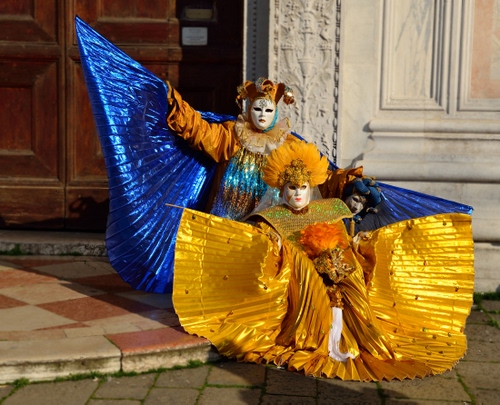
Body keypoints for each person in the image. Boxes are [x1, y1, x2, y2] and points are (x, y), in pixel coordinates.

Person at [172, 141, 475, 381]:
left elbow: (343, 242)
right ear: (282, 189)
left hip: (338, 271)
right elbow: (261, 251)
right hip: (300, 281)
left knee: (355, 281)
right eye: (292, 188)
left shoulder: (330, 210)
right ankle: (320, 336)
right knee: (309, 281)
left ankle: (357, 334)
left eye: (303, 188)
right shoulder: (270, 217)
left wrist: (345, 257)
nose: (298, 194)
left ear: (311, 187)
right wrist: (277, 246)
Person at [165, 77, 296, 220]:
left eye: (269, 110)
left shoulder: (287, 145)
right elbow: (201, 131)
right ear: (250, 108)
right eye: (257, 109)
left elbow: (303, 180)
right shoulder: (232, 136)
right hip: (226, 223)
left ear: (275, 112)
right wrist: (176, 106)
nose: (262, 114)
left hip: (267, 225)